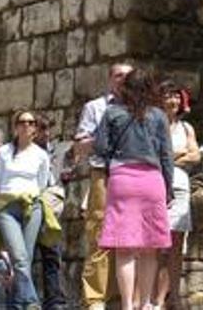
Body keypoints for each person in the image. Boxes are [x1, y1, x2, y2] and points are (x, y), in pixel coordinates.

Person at [94, 67, 175, 310]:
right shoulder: (159, 116)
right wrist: (168, 188)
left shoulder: (112, 113)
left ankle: (128, 305)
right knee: (150, 247)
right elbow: (166, 156)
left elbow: (100, 148)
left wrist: (111, 169)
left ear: (126, 87)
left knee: (124, 248)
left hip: (122, 179)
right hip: (152, 180)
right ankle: (147, 303)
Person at [75, 61, 133, 310]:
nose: (123, 80)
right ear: (110, 79)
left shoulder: (139, 108)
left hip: (133, 176)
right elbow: (80, 143)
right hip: (104, 174)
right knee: (99, 236)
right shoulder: (95, 107)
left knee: (132, 238)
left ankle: (125, 298)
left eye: (127, 76)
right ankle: (95, 300)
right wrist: (107, 135)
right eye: (118, 75)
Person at [0, 109, 53, 309]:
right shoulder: (4, 152)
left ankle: (16, 305)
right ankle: (32, 301)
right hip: (8, 206)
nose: (26, 125)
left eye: (31, 122)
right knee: (18, 257)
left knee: (26, 259)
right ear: (15, 126)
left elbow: (42, 183)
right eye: (22, 122)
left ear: (35, 128)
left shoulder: (41, 155)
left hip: (31, 206)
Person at [155, 81, 200, 310]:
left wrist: (173, 156)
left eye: (175, 96)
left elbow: (195, 156)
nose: (172, 101)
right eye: (167, 96)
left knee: (176, 243)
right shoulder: (153, 124)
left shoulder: (186, 128)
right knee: (158, 244)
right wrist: (180, 154)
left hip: (181, 186)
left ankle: (173, 297)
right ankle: (158, 298)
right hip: (158, 187)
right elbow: (153, 156)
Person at [34, 115, 69, 310]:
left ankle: (54, 300)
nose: (46, 133)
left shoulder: (56, 150)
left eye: (48, 129)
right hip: (31, 202)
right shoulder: (25, 152)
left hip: (51, 206)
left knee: (52, 254)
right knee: (27, 255)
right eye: (42, 128)